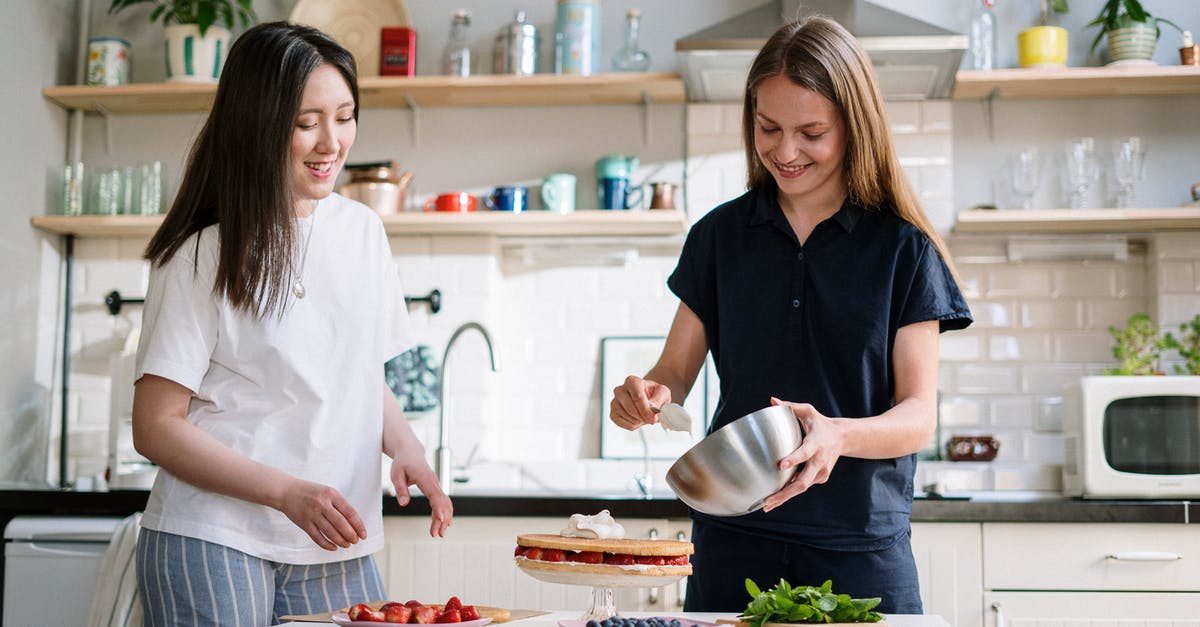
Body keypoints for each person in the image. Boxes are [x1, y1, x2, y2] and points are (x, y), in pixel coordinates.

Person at [608, 15, 972, 614]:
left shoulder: (903, 249)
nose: (785, 150)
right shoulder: (719, 237)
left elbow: (918, 416)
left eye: (811, 132)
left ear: (854, 128)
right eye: (768, 127)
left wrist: (838, 434)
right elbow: (673, 370)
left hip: (859, 549)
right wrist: (645, 395)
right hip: (733, 541)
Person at [131, 22, 452, 626]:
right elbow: (154, 427)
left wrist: (407, 450)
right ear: (257, 123)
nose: (330, 142)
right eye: (305, 123)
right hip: (213, 534)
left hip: (335, 535)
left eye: (345, 116)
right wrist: (285, 492)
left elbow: (358, 376)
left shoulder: (363, 233)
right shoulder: (203, 253)